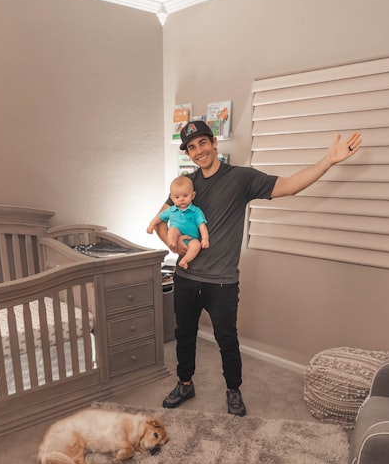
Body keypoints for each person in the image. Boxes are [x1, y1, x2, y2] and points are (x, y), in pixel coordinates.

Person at [153, 118, 362, 416]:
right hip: (186, 277)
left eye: (202, 143)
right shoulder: (187, 186)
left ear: (214, 143)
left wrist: (328, 160)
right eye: (191, 147)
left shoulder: (241, 178)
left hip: (222, 282)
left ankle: (233, 390)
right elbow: (160, 220)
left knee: (227, 340)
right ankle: (185, 383)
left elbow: (289, 186)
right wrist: (174, 245)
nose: (198, 151)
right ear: (188, 154)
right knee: (184, 335)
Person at [147, 176, 209, 269]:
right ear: (172, 198)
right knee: (172, 230)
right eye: (177, 197)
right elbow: (158, 218)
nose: (181, 199)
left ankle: (184, 260)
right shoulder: (171, 210)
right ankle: (173, 244)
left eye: (185, 196)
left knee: (196, 245)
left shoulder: (196, 211)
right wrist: (151, 225)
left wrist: (205, 239)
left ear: (193, 195)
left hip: (192, 238)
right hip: (177, 236)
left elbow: (202, 226)